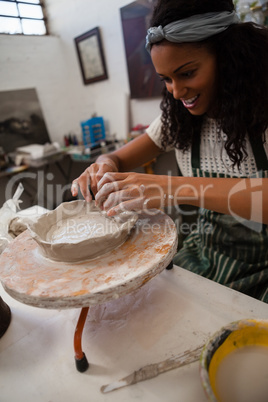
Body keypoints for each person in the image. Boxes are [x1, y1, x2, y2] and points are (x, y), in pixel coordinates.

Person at [72, 0, 268, 302]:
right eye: (166, 79)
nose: (176, 92)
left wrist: (173, 187)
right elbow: (117, 157)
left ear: (228, 55)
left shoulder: (262, 111)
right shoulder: (177, 118)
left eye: (187, 73)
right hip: (206, 256)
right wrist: (103, 163)